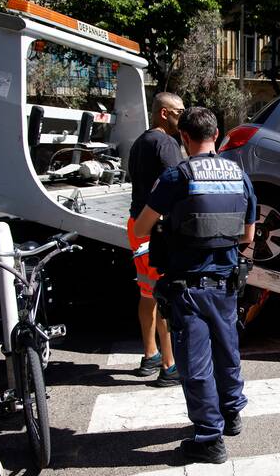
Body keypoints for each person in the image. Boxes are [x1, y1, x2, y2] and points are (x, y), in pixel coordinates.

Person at [133, 107, 256, 464]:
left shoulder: (176, 176)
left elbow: (141, 228)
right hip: (226, 284)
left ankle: (209, 439)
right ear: (216, 135)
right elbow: (248, 235)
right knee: (227, 351)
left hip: (188, 287)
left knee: (196, 364)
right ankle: (231, 414)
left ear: (184, 138)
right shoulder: (239, 175)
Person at [127, 92, 185, 386]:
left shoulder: (140, 142)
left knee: (147, 292)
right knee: (164, 293)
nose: (182, 116)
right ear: (164, 113)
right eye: (179, 111)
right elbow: (177, 184)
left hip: (136, 224)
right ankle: (169, 365)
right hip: (157, 228)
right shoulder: (166, 143)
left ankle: (150, 354)